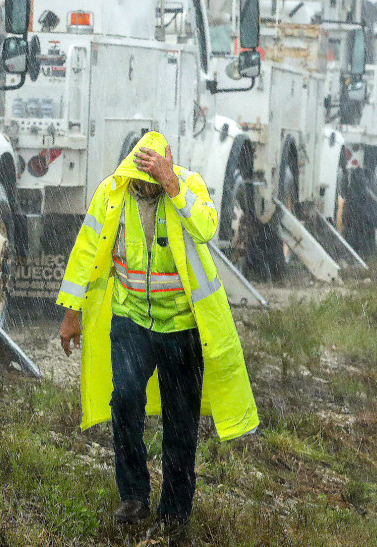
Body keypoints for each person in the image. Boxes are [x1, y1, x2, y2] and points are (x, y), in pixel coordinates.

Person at [56, 130, 258, 539]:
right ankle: (133, 494)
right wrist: (71, 312)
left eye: (152, 176)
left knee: (181, 424)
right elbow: (86, 250)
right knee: (125, 398)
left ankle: (175, 512)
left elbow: (206, 228)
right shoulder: (113, 195)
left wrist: (172, 185)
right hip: (132, 320)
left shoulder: (188, 185)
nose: (144, 185)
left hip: (181, 327)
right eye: (140, 175)